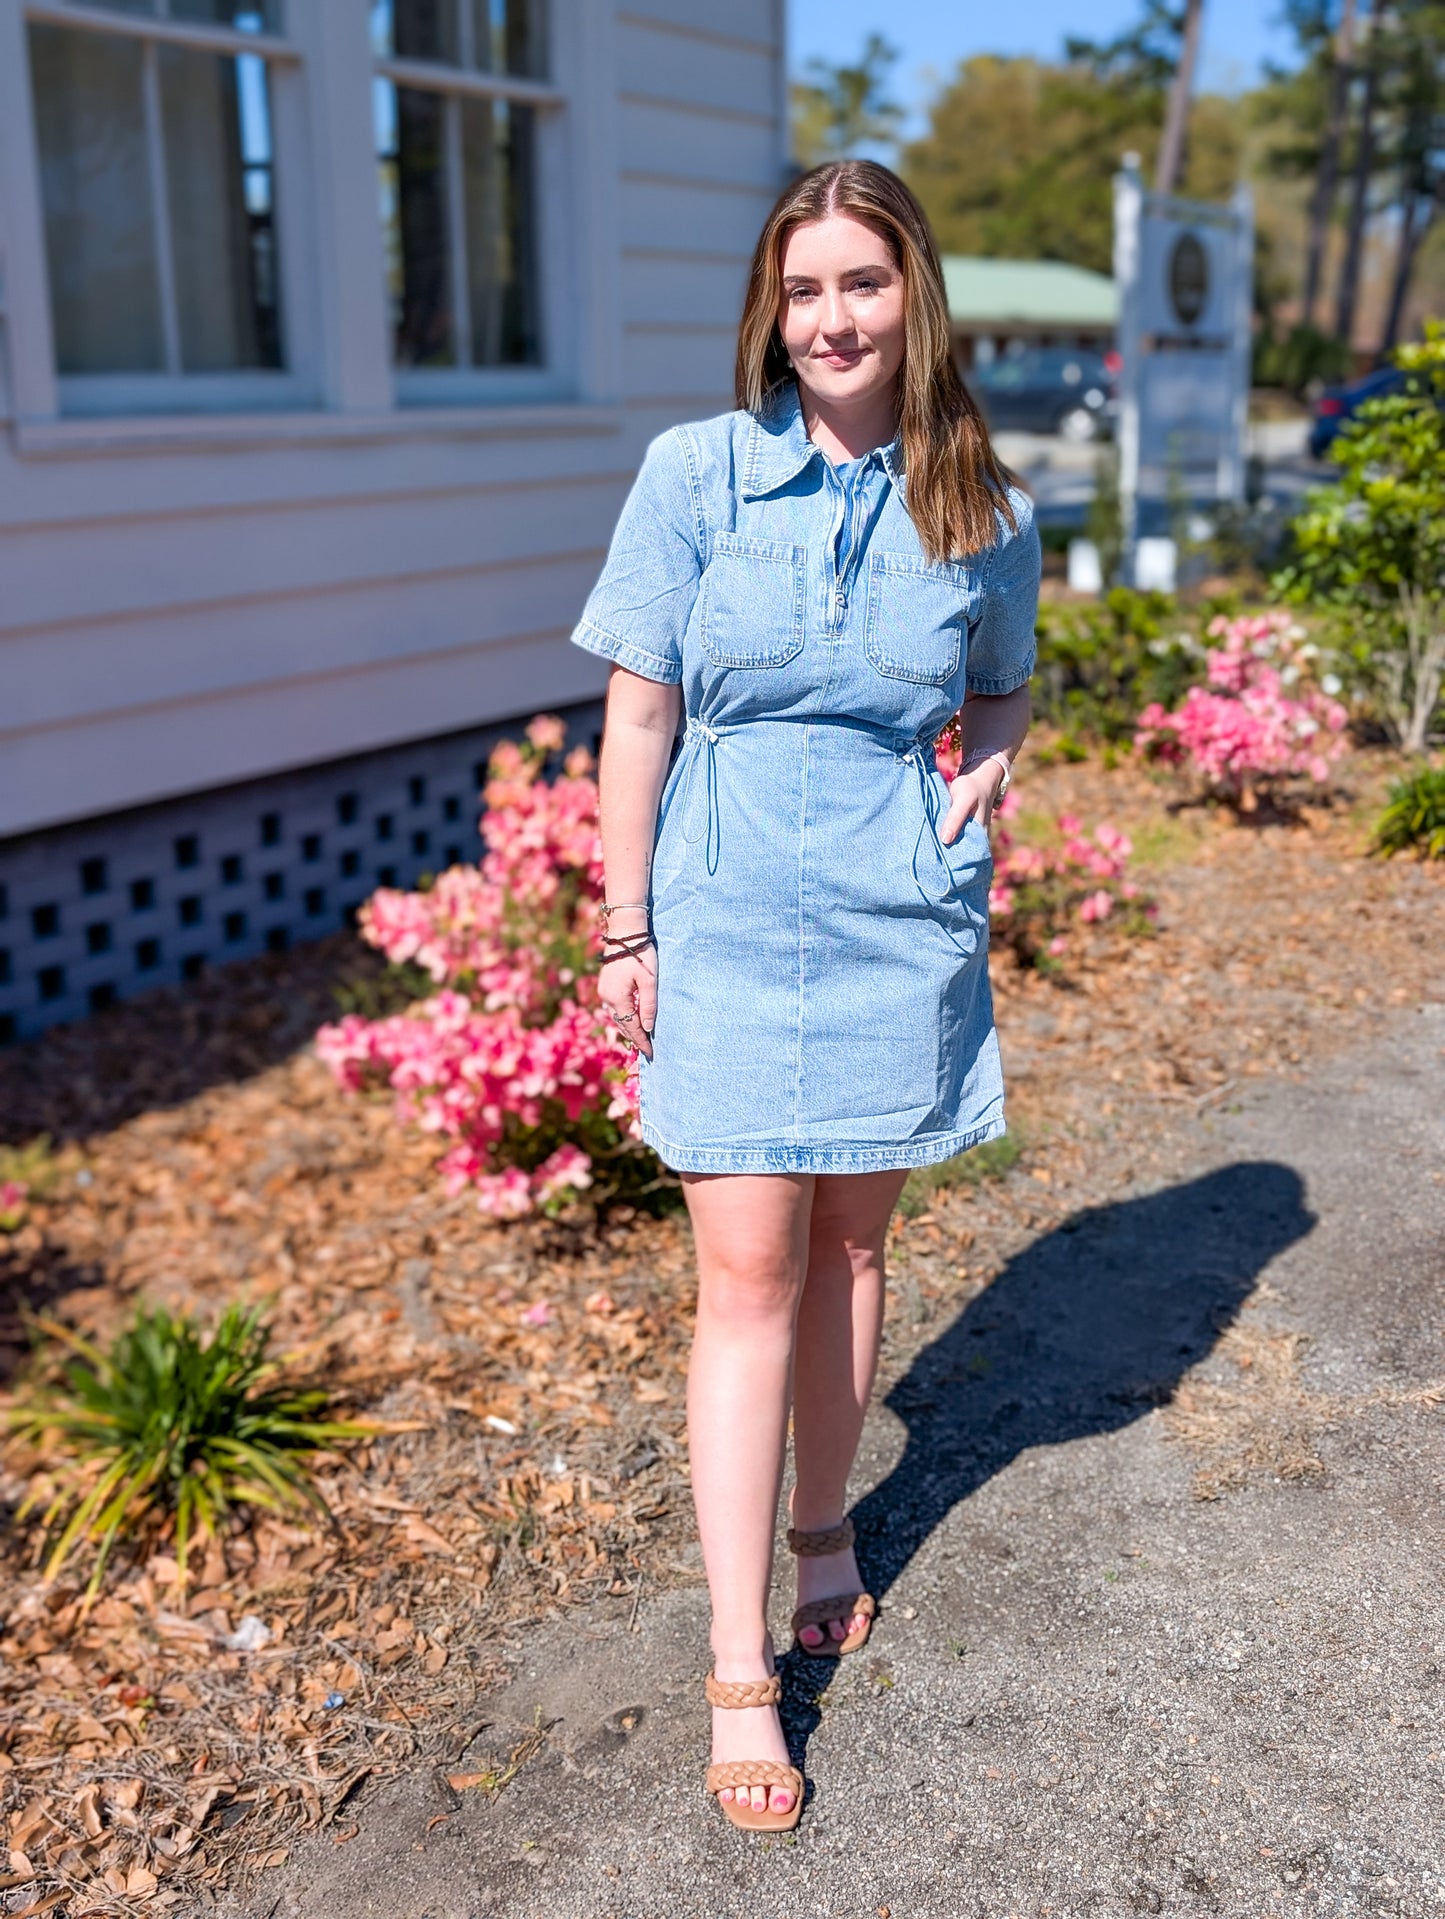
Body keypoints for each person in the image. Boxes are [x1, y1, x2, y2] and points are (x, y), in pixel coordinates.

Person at [569, 159, 1039, 1833]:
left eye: (863, 282)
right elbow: (638, 714)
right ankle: (735, 1665)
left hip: (891, 913)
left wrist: (983, 776)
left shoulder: (984, 505)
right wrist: (624, 930)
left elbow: (1001, 687)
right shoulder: (694, 472)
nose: (832, 318)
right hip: (722, 903)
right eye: (804, 287)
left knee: (850, 1248)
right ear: (771, 311)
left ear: (915, 297)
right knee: (746, 1271)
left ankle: (824, 1525)